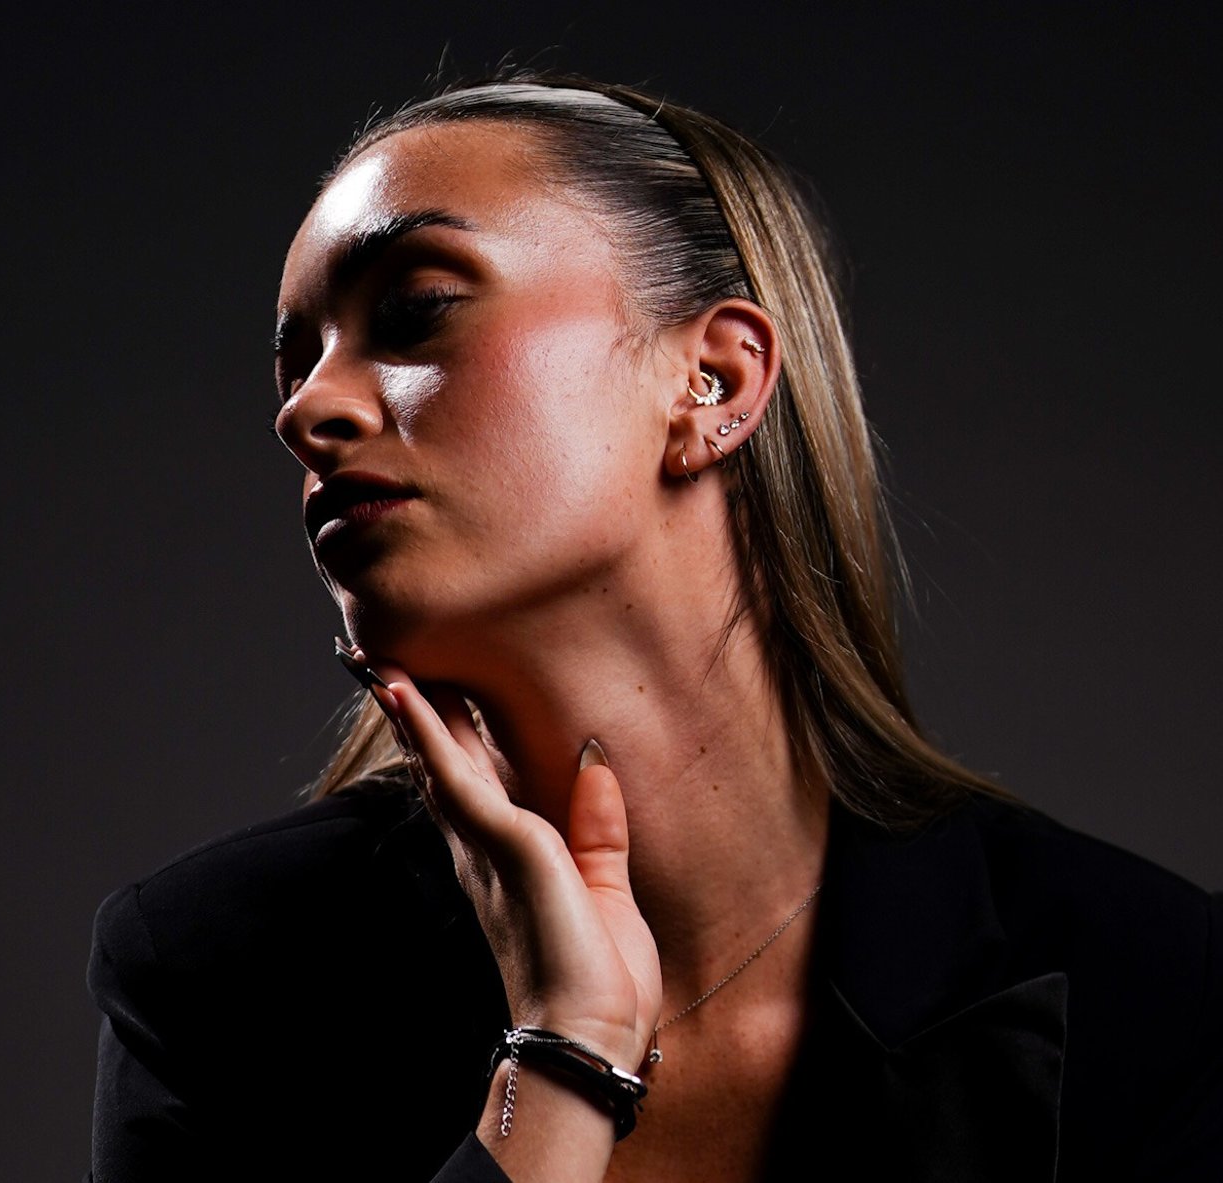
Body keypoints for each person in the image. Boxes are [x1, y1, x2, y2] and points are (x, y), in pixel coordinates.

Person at [83, 73, 1222, 1182]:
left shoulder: (1156, 989)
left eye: (415, 310)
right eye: (296, 361)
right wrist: (562, 1063)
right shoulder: (216, 980)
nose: (305, 410)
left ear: (715, 380)